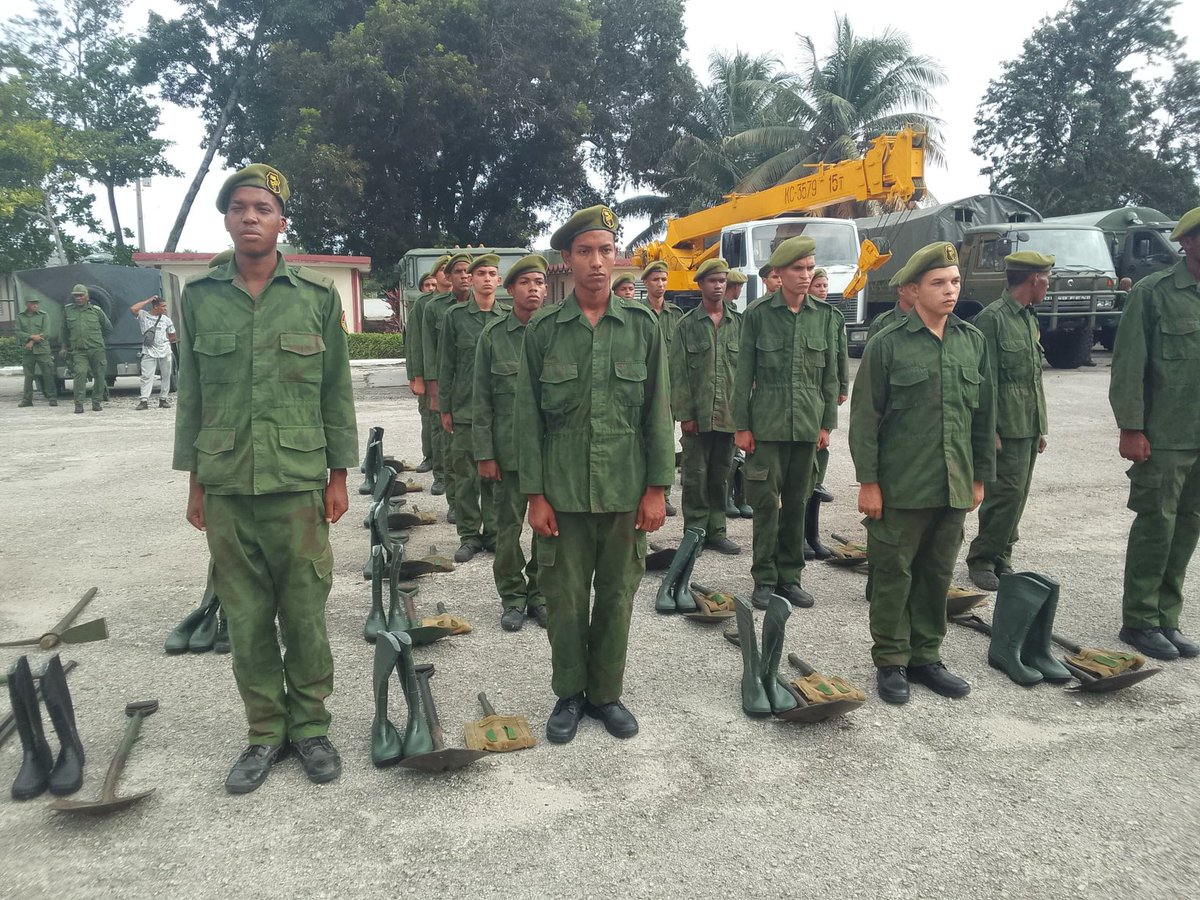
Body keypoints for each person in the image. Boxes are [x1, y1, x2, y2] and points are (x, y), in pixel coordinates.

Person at [173, 163, 358, 793]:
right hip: (227, 483)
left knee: (304, 615)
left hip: (298, 483)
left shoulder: (315, 296)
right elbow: (192, 398)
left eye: (262, 208)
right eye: (239, 208)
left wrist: (338, 476)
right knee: (246, 619)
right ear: (227, 219)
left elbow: (335, 392)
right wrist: (195, 483)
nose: (250, 217)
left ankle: (310, 728)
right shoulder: (200, 297)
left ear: (281, 222)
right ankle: (264, 733)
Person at [516, 205, 674, 744]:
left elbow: (657, 412)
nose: (598, 262)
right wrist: (535, 495)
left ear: (617, 256)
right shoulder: (544, 331)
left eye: (606, 250)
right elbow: (527, 419)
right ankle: (569, 693)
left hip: (625, 492)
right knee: (563, 600)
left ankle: (606, 695)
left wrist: (657, 489)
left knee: (616, 597)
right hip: (561, 495)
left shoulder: (643, 327)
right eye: (585, 251)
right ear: (567, 259)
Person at [849, 241, 995, 705]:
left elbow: (983, 418)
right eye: (938, 283)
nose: (950, 290)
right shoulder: (888, 344)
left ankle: (926, 656)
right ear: (913, 289)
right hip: (901, 486)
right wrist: (869, 483)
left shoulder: (972, 342)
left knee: (936, 575)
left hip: (953, 484)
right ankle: (892, 660)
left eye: (955, 281)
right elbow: (866, 419)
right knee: (894, 574)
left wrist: (978, 477)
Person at [1109, 206, 1200, 661]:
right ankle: (1140, 620)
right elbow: (1128, 365)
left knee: (1187, 528)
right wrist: (1131, 427)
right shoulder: (1154, 292)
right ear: (1188, 242)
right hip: (1164, 434)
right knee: (1156, 526)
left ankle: (1167, 617)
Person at [731, 235, 840, 610]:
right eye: (798, 269)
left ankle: (790, 578)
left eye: (810, 268)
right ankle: (764, 578)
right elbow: (743, 375)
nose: (806, 275)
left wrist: (826, 425)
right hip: (767, 424)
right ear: (779, 272)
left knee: (798, 502)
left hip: (807, 426)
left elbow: (829, 377)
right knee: (765, 505)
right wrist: (741, 426)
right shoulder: (758, 315)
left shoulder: (825, 317)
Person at [966, 252, 1052, 591]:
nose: (1048, 285)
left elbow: (1032, 378)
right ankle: (983, 559)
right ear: (1033, 279)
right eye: (1047, 279)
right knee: (1003, 496)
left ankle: (1003, 556)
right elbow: (984, 380)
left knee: (1018, 496)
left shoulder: (1028, 318)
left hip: (1027, 425)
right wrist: (989, 431)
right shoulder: (993, 319)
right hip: (1005, 427)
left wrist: (1040, 426)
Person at [474, 254, 548, 631]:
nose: (533, 289)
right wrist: (485, 453)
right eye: (525, 282)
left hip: (550, 455)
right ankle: (513, 597)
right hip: (508, 454)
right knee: (507, 531)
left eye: (539, 282)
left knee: (548, 531)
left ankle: (540, 594)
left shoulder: (556, 332)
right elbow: (482, 400)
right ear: (511, 289)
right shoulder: (493, 337)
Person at [439, 253, 507, 562]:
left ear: (498, 280)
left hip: (498, 411)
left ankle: (492, 533)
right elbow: (447, 364)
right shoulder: (455, 317)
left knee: (494, 474)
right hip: (465, 409)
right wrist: (445, 408)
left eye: (492, 273)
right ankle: (468, 535)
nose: (486, 279)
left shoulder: (507, 317)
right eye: (481, 274)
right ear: (472, 279)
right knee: (465, 475)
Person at [672, 257, 741, 554]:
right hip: (697, 417)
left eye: (722, 281)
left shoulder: (739, 324)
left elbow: (748, 374)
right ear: (700, 284)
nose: (718, 286)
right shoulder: (687, 325)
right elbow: (678, 374)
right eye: (713, 281)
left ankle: (717, 531)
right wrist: (685, 414)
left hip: (729, 414)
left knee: (721, 475)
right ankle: (695, 533)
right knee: (695, 477)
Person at [804, 267, 848, 558]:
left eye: (824, 285)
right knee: (799, 479)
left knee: (817, 471)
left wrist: (842, 386)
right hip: (802, 400)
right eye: (818, 285)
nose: (822, 289)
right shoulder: (806, 318)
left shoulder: (833, 317)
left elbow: (839, 356)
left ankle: (812, 534)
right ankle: (798, 538)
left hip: (822, 397)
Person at [424, 252, 473, 508]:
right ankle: (455, 502)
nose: (464, 276)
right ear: (449, 277)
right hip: (451, 389)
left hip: (481, 392)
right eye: (458, 272)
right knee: (453, 447)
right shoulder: (435, 308)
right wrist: (434, 393)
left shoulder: (489, 307)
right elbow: (430, 352)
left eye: (468, 271)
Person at [640, 259, 685, 516]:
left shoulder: (675, 315)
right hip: (645, 386)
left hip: (670, 388)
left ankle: (663, 493)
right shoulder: (637, 313)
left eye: (664, 279)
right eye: (656, 279)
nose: (661, 284)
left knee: (665, 439)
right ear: (646, 283)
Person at [406, 255, 451, 475]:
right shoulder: (423, 305)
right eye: (443, 270)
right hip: (431, 373)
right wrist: (416, 377)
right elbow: (415, 344)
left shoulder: (464, 300)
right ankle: (432, 458)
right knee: (431, 419)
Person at [61, 284, 112, 414]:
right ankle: (79, 404)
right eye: (76, 296)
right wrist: (64, 347)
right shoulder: (68, 311)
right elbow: (64, 331)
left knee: (99, 375)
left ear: (87, 296)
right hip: (79, 350)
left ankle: (97, 402)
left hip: (96, 349)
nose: (78, 298)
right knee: (80, 373)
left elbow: (108, 328)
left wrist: (98, 339)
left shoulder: (96, 311)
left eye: (81, 295)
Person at [131, 295, 177, 410]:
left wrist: (165, 341)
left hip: (164, 350)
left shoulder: (166, 320)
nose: (165, 308)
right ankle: (144, 400)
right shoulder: (144, 316)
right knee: (146, 376)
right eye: (163, 306)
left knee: (166, 375)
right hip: (149, 350)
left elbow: (173, 336)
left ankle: (163, 399)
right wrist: (148, 300)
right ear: (156, 307)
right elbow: (133, 309)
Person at [17, 297, 57, 408]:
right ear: (27, 304)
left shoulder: (43, 315)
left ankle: (52, 398)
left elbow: (46, 333)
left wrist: (32, 341)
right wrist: (31, 337)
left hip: (42, 350)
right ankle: (27, 400)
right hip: (28, 352)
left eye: (36, 303)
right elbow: (18, 332)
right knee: (28, 376)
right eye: (33, 303)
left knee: (48, 374)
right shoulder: (20, 317)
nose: (35, 305)